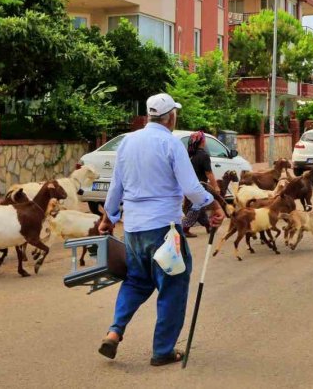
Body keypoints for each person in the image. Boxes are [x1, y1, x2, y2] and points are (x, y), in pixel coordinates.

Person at [97, 93, 226, 367]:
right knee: (173, 285)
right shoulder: (171, 143)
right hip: (165, 230)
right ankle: (163, 351)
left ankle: (114, 331)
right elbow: (192, 189)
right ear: (171, 116)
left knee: (136, 280)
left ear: (148, 116)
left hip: (133, 230)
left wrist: (109, 217)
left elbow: (115, 186)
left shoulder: (127, 142)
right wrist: (213, 205)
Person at [182, 131, 221, 238]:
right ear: (202, 141)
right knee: (196, 207)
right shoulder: (203, 155)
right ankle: (184, 229)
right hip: (199, 186)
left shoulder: (190, 155)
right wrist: (215, 186)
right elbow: (208, 173)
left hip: (189, 185)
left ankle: (208, 226)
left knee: (201, 207)